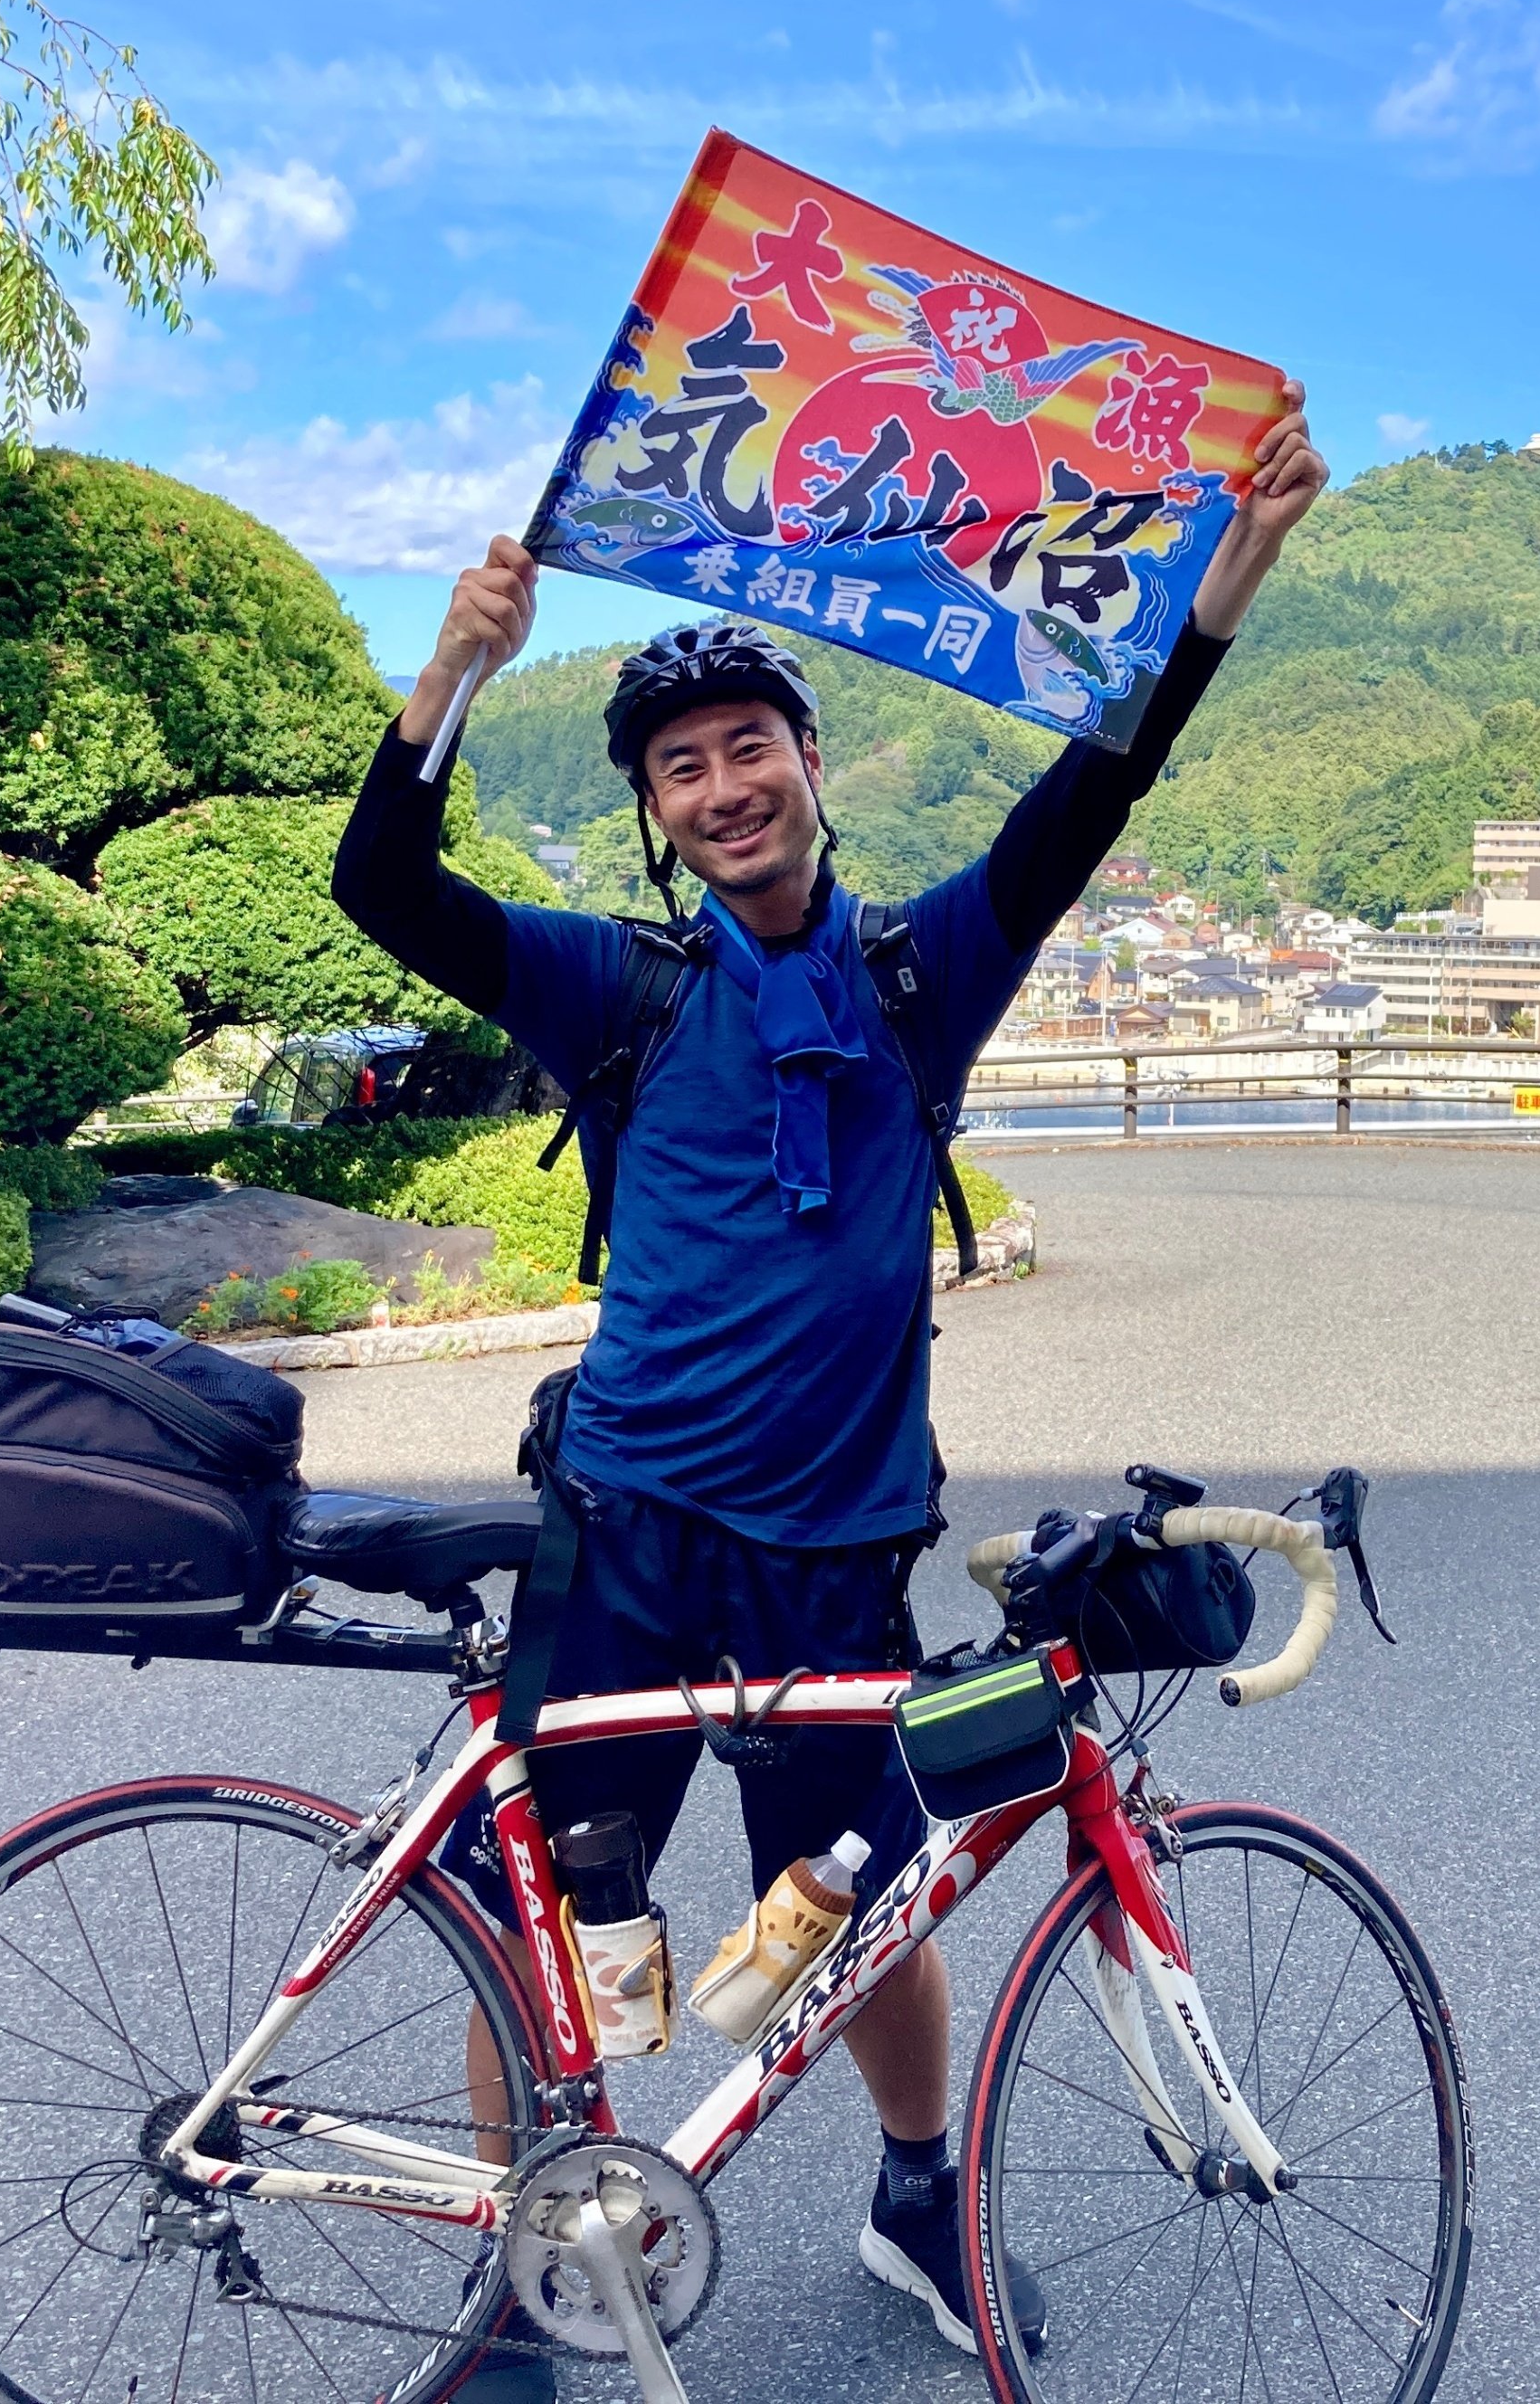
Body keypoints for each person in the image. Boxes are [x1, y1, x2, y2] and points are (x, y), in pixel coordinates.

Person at [330, 384, 1324, 2370]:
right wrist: (449, 665)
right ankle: (528, 2267)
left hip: (835, 1546)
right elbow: (386, 889)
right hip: (623, 1538)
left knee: (861, 1909)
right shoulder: (613, 981)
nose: (720, 787)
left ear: (809, 764)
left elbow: (1081, 804)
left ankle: (912, 2202)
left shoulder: (917, 977)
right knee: (551, 1914)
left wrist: (1213, 598)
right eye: (681, 765)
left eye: (748, 748)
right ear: (658, 810)